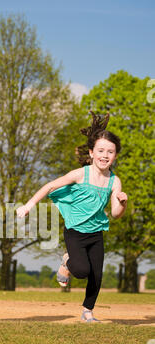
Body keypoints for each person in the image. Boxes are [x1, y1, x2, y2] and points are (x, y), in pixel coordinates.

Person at [17, 112, 127, 322]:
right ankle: (67, 261)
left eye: (110, 152)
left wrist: (122, 203)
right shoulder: (80, 174)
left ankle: (88, 311)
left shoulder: (115, 182)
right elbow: (50, 186)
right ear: (92, 152)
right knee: (82, 270)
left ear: (115, 156)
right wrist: (29, 205)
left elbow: (115, 214)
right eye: (101, 150)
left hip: (96, 233)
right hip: (75, 232)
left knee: (97, 275)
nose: (105, 155)